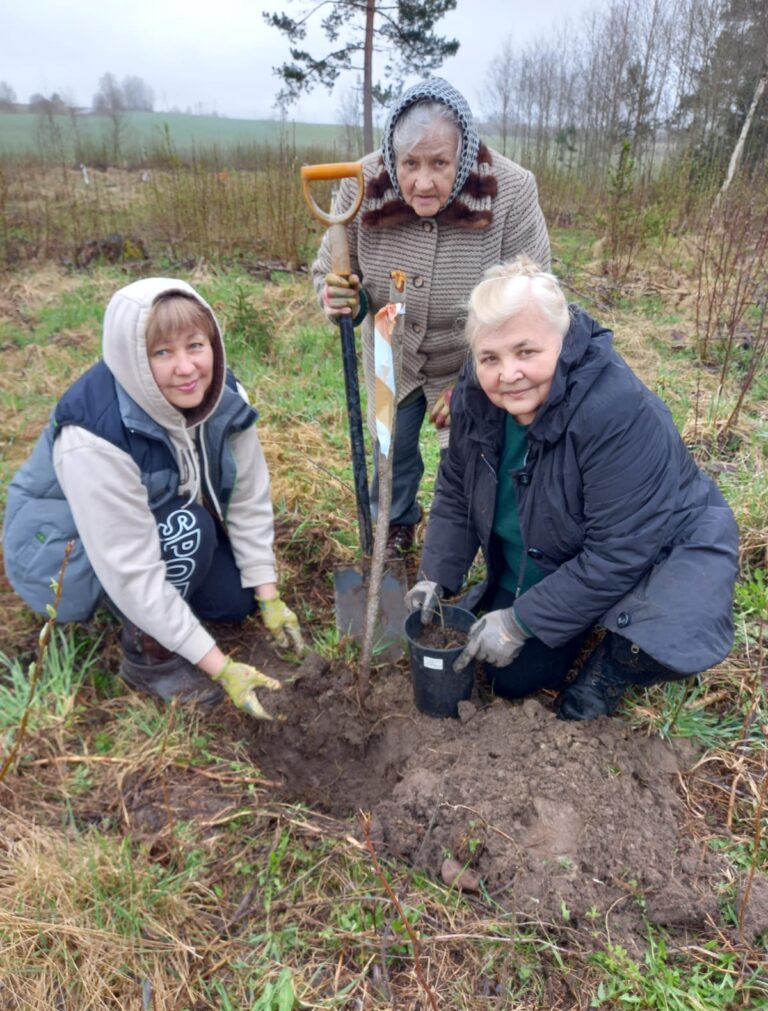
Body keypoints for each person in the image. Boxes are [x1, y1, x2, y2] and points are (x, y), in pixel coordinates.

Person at [405, 258, 739, 720]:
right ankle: (567, 614)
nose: (508, 374)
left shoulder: (618, 412)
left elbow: (619, 551)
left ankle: (616, 665)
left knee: (667, 626)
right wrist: (435, 574)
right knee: (511, 678)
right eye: (490, 358)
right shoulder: (474, 398)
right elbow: (457, 489)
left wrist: (520, 622)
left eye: (526, 352)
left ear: (562, 342)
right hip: (558, 549)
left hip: (661, 544)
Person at [3, 278, 305, 719]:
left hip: (151, 520)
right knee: (189, 528)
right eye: (162, 353)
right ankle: (148, 656)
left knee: (233, 601)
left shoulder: (222, 397)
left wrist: (268, 594)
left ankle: (171, 616)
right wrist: (223, 668)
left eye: (195, 345)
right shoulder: (94, 435)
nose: (186, 368)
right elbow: (131, 568)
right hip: (64, 558)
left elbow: (247, 495)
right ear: (134, 359)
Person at [313, 77, 550, 556]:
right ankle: (394, 527)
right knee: (391, 448)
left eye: (439, 163)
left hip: (472, 354)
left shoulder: (510, 189)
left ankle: (459, 541)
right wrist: (337, 296)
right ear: (392, 157)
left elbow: (533, 294)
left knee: (468, 455)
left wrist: (474, 382)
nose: (423, 182)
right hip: (389, 349)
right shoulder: (360, 183)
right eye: (410, 164)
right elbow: (330, 271)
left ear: (463, 153)